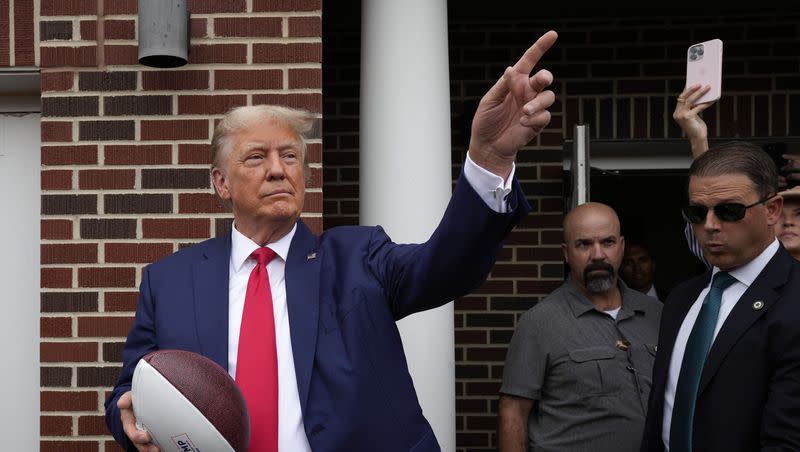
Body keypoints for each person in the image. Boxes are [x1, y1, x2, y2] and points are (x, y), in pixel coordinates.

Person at [105, 30, 560, 452]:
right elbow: (134, 388)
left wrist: (489, 159)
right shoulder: (169, 282)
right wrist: (129, 417)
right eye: (257, 157)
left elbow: (446, 267)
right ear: (221, 184)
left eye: (290, 156)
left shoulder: (358, 258)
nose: (279, 169)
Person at [641, 141, 800, 451]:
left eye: (729, 211)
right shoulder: (681, 299)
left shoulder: (793, 300)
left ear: (772, 210)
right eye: (697, 212)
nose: (710, 225)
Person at [498, 202, 662, 452]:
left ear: (621, 246)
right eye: (584, 244)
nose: (597, 255)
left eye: (607, 242)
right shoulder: (539, 323)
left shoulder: (657, 314)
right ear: (566, 253)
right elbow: (514, 412)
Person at [674, 84, 800, 263]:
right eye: (781, 215)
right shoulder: (732, 270)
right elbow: (714, 193)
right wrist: (698, 139)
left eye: (799, 214)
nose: (787, 222)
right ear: (769, 214)